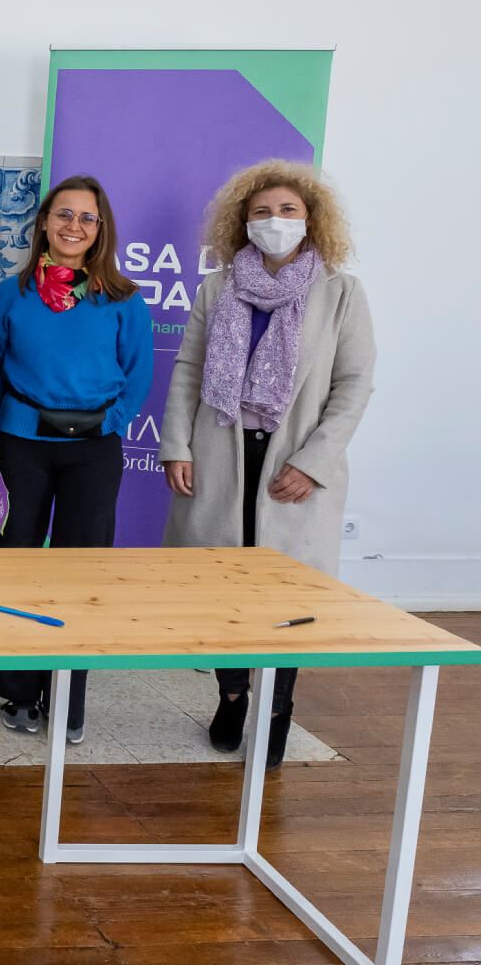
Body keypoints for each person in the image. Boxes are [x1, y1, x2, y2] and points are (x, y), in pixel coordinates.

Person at [162, 159, 374, 769]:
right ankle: (232, 695)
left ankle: (278, 709)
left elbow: (354, 385)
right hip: (221, 455)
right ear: (242, 222)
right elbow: (189, 371)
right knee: (223, 592)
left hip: (293, 466)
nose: (274, 221)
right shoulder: (216, 287)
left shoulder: (340, 292)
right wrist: (176, 443)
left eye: (287, 211)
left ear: (310, 220)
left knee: (288, 600)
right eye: (261, 212)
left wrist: (315, 461)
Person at [0, 176, 152, 744]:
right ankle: (19, 691)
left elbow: (138, 374)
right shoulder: (10, 295)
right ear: (44, 224)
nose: (73, 226)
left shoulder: (124, 300)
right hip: (24, 443)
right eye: (63, 215)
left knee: (81, 573)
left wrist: (110, 421)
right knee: (18, 564)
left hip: (93, 450)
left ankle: (66, 693)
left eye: (86, 217)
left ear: (100, 229)